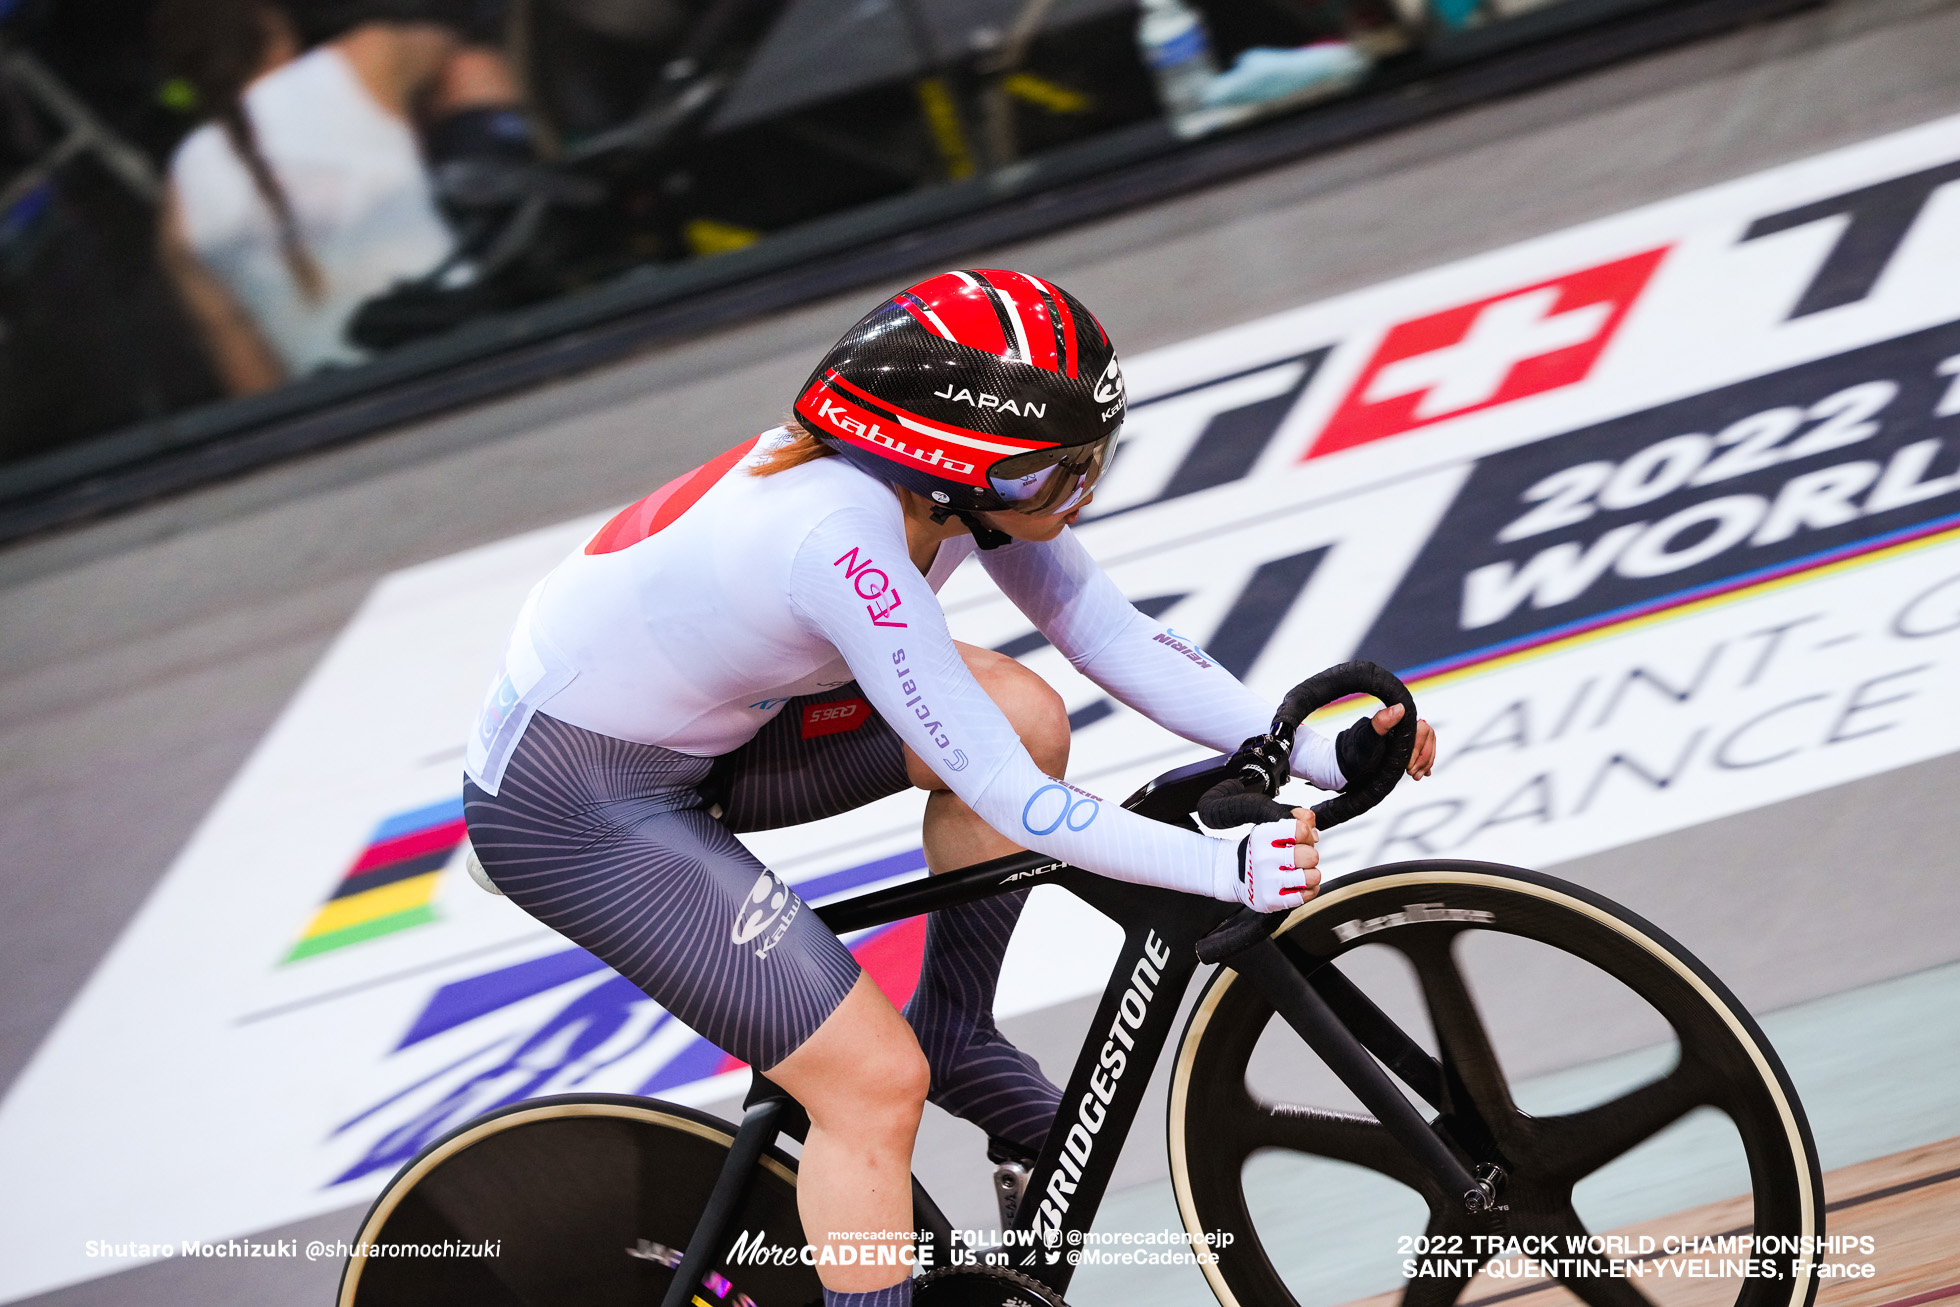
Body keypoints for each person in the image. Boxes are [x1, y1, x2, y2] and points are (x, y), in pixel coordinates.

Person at [461, 268, 1437, 1307]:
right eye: (1050, 473)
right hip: (577, 803)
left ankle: (957, 1026)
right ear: (945, 466)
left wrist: (1313, 751)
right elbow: (1018, 803)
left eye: (1091, 456)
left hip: (719, 730)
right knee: (871, 1085)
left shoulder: (941, 493)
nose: (1080, 493)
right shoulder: (836, 539)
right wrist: (1217, 863)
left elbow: (1107, 635)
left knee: (1022, 706)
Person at [151, 0, 529, 392]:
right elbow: (450, 43)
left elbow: (257, 391)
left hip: (356, 411)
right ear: (275, 27)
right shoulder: (364, 57)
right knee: (473, 67)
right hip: (479, 352)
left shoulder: (177, 210)